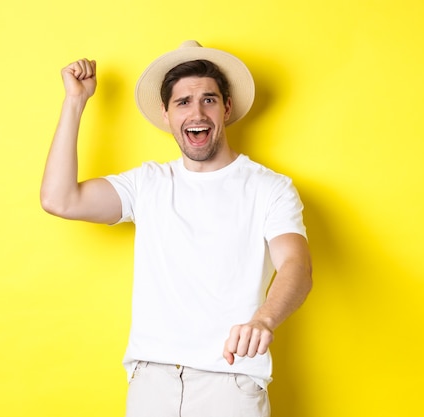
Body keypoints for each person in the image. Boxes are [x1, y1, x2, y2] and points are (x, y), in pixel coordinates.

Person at [40, 40, 312, 417]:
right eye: (183, 102)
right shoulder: (147, 184)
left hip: (230, 381)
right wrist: (76, 101)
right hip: (152, 383)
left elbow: (296, 264)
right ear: (166, 115)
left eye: (209, 99)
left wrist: (264, 319)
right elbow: (59, 199)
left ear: (226, 108)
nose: (196, 112)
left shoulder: (269, 188)